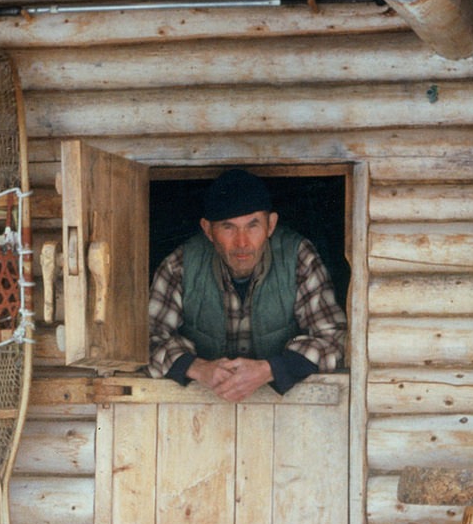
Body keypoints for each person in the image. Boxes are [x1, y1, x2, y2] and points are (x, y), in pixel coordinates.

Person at [148, 168, 346, 402]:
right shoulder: (180, 266)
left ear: (270, 225)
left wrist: (269, 370)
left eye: (252, 225)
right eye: (228, 227)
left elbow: (335, 339)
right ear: (208, 230)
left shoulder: (299, 259)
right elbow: (145, 341)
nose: (242, 242)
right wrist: (198, 368)